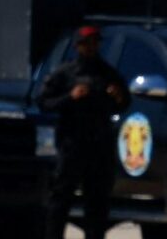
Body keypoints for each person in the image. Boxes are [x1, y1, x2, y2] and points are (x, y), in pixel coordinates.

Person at [38, 25, 131, 239]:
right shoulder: (65, 73)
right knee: (60, 199)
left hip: (100, 145)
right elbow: (43, 102)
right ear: (78, 45)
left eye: (95, 43)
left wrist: (117, 96)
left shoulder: (108, 73)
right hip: (72, 144)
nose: (91, 47)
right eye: (87, 43)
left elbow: (124, 102)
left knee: (97, 202)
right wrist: (70, 97)